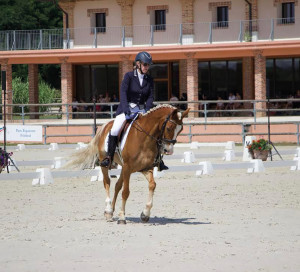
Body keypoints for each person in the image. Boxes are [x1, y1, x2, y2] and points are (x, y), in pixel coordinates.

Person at [100, 51, 169, 171]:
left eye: (148, 65)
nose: (147, 67)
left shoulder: (149, 79)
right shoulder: (129, 76)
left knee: (154, 130)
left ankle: (158, 159)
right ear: (138, 64)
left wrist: (147, 110)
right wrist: (126, 109)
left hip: (142, 110)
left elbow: (150, 97)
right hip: (127, 108)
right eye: (145, 65)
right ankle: (109, 157)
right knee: (115, 128)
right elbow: (123, 93)